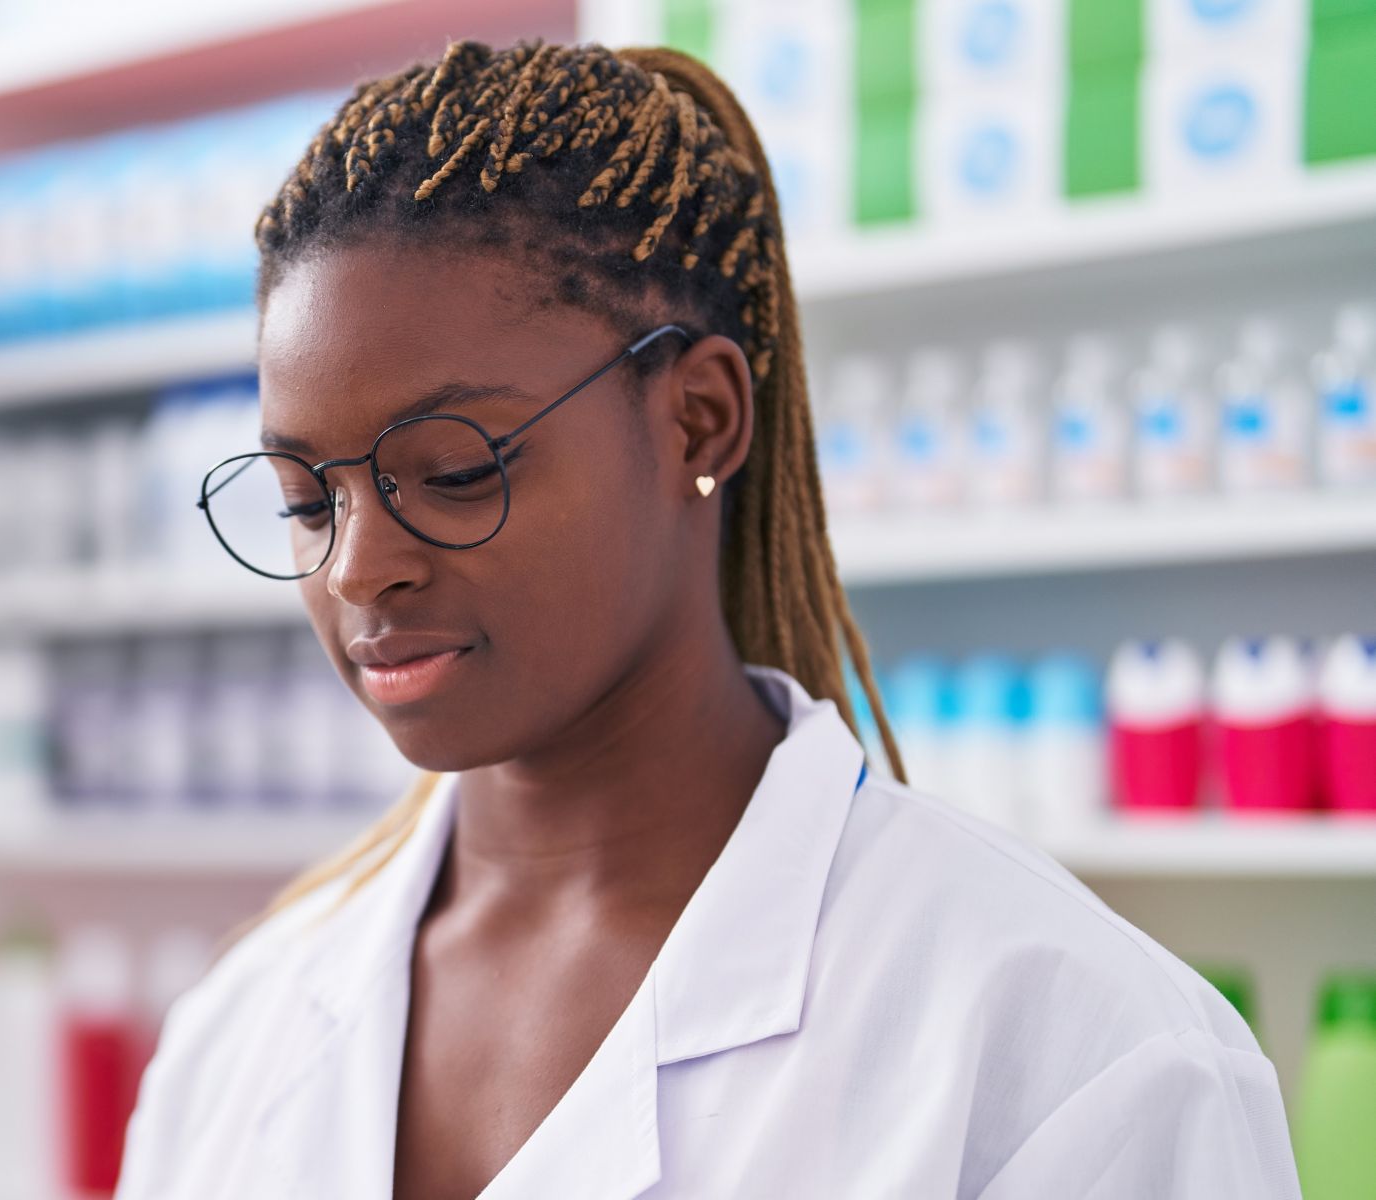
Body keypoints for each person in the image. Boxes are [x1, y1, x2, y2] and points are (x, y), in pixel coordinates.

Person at [114, 37, 1299, 1200]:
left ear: (696, 421)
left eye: (458, 470)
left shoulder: (1068, 1050)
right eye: (305, 499)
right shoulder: (240, 1036)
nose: (359, 569)